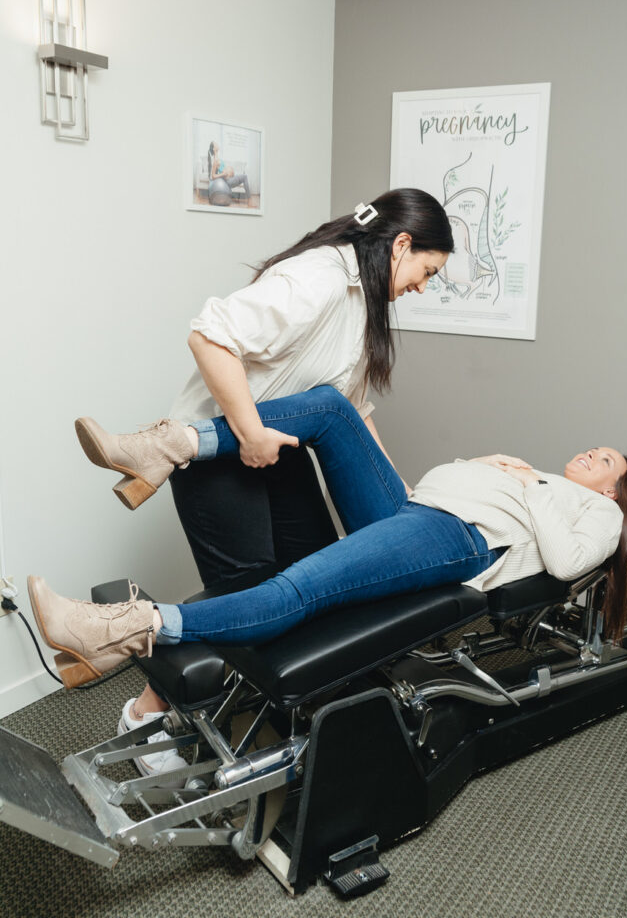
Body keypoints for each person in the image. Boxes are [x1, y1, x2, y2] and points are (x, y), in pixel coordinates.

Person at [75, 190, 454, 776]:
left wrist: (400, 498)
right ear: (401, 244)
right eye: (427, 271)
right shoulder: (321, 278)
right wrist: (249, 430)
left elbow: (352, 414)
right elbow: (209, 334)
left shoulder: (362, 302)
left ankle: (294, 712)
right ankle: (144, 713)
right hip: (222, 461)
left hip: (282, 458)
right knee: (250, 599)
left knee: (318, 582)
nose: (423, 287)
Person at [31, 387, 627, 691]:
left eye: (604, 458)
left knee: (298, 584)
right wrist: (495, 464)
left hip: (455, 539)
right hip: (413, 508)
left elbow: (568, 561)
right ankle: (168, 446)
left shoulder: (596, 513)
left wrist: (532, 489)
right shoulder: (537, 473)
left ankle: (125, 629)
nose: (591, 452)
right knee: (334, 410)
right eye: (595, 447)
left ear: (612, 489)